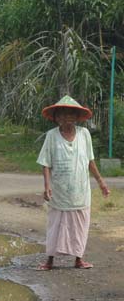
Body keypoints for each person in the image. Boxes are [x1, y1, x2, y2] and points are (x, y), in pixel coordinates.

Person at [36, 95, 110, 271]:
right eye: (61, 115)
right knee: (55, 225)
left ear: (77, 117)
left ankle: (79, 259)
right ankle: (49, 261)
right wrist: (47, 186)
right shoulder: (51, 136)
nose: (66, 118)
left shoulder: (84, 135)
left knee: (80, 225)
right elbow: (46, 163)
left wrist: (101, 182)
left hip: (80, 191)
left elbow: (90, 161)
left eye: (70, 115)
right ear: (56, 118)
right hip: (59, 191)